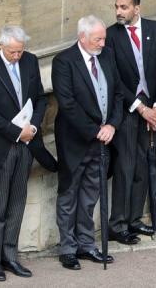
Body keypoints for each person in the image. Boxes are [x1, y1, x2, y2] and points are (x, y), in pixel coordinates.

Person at [0, 25, 49, 281]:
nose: (17, 56)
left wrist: (34, 126)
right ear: (1, 46)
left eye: (20, 51)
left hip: (26, 145)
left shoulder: (30, 61)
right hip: (0, 148)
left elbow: (40, 98)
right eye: (12, 52)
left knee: (16, 203)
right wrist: (18, 132)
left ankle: (10, 257)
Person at [53, 16, 126, 270]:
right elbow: (68, 104)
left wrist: (112, 126)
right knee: (69, 196)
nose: (103, 43)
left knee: (90, 196)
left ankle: (86, 244)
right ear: (82, 37)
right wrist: (96, 130)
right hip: (76, 141)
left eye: (104, 38)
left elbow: (118, 94)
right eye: (98, 39)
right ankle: (68, 248)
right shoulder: (63, 62)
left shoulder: (106, 56)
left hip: (103, 140)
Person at [105, 0, 156, 245]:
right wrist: (141, 108)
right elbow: (115, 79)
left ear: (137, 9)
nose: (119, 11)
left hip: (152, 108)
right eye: (117, 7)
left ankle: (134, 219)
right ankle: (117, 224)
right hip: (128, 109)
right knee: (126, 165)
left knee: (143, 164)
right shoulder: (111, 36)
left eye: (124, 7)